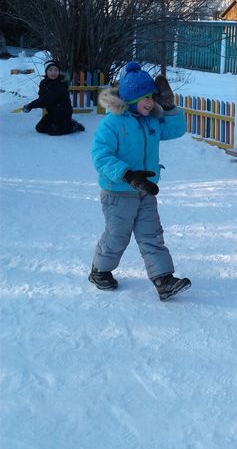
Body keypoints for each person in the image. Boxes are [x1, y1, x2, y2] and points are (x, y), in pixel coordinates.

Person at [89, 61, 191, 302]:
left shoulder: (152, 121)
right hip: (118, 193)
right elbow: (100, 156)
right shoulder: (112, 123)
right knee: (117, 237)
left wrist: (170, 107)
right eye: (145, 98)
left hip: (145, 192)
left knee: (152, 235)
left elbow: (177, 131)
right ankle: (99, 270)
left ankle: (164, 280)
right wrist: (128, 175)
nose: (150, 102)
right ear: (131, 98)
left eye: (152, 97)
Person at [22, 60, 85, 135]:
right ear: (46, 71)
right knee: (40, 128)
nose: (53, 73)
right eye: (50, 70)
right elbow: (42, 99)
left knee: (53, 132)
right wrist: (34, 105)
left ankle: (74, 126)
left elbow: (47, 99)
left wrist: (31, 105)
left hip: (63, 113)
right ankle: (65, 123)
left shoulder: (60, 84)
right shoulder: (44, 83)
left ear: (59, 72)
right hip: (52, 112)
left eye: (56, 70)